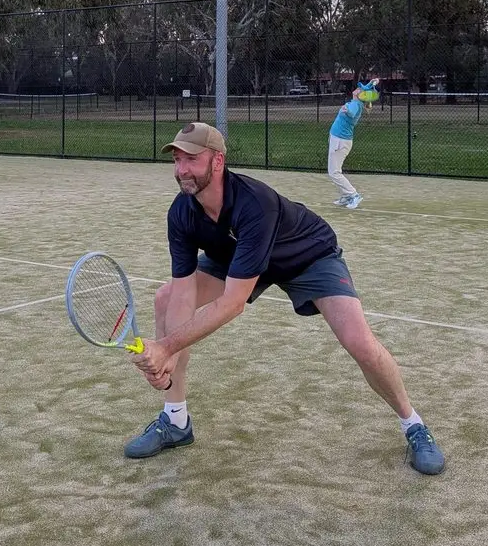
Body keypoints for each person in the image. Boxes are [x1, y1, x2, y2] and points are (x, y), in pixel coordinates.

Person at [124, 121, 445, 475]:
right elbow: (183, 293)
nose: (182, 169)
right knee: (166, 299)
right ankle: (175, 420)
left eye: (191, 160)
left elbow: (232, 304)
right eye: (177, 161)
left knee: (360, 342)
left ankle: (413, 424)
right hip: (238, 259)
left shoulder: (254, 203)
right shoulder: (182, 212)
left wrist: (167, 346)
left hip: (308, 257)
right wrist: (167, 355)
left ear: (217, 162)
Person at [327, 78, 378, 209]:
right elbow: (365, 90)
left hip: (340, 141)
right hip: (339, 140)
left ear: (361, 95)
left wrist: (347, 111)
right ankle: (346, 196)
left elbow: (352, 112)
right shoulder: (357, 101)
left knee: (334, 172)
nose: (358, 88)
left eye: (360, 89)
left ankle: (353, 194)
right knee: (335, 171)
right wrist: (372, 83)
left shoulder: (355, 105)